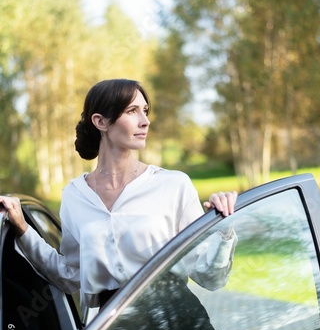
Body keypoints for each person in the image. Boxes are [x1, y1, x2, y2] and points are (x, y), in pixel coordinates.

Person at [0, 79, 237, 311]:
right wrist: (23, 229)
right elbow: (68, 276)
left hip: (179, 325)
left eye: (145, 111)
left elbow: (210, 278)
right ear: (100, 121)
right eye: (132, 111)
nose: (145, 121)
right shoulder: (74, 195)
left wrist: (223, 230)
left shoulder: (174, 185)